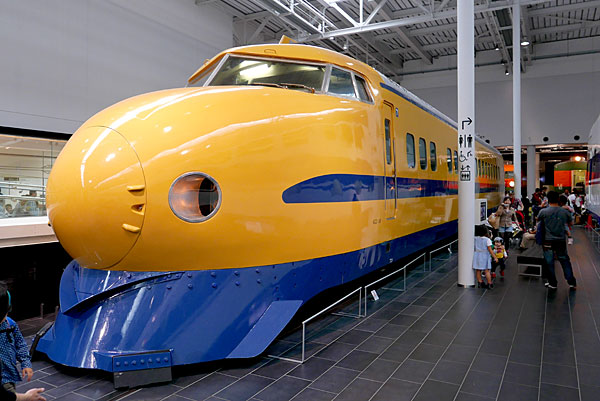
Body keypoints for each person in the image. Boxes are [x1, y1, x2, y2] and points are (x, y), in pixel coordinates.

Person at [0, 285, 44, 401]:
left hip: (8, 376)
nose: (5, 317)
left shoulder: (10, 324)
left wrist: (25, 362)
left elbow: (20, 344)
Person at [537, 191, 577, 290]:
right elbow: (571, 223)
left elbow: (538, 220)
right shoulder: (565, 212)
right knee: (564, 260)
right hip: (560, 240)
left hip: (547, 240)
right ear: (558, 199)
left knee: (549, 262)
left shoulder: (543, 212)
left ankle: (553, 283)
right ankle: (571, 282)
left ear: (548, 199)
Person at [473, 225, 497, 289]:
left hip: (477, 255)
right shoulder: (487, 240)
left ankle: (480, 282)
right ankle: (489, 283)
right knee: (487, 270)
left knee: (478, 270)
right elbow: (490, 250)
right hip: (485, 255)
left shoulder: (475, 238)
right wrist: (495, 257)